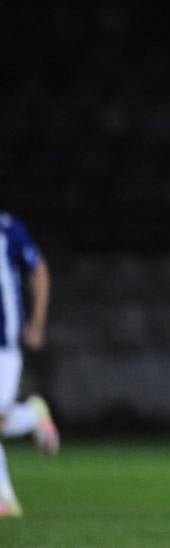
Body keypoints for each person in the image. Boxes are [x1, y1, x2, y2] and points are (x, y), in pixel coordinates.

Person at [0, 211, 59, 519]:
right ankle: (32, 417)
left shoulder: (8, 230)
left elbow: (39, 271)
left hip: (4, 344)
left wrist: (36, 322)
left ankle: (4, 498)